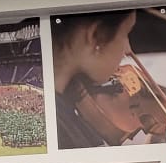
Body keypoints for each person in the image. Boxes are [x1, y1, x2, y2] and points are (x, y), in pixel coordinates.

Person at [51, 10, 138, 148]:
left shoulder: (60, 104)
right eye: (125, 34)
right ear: (96, 35)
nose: (127, 50)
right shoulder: (61, 130)